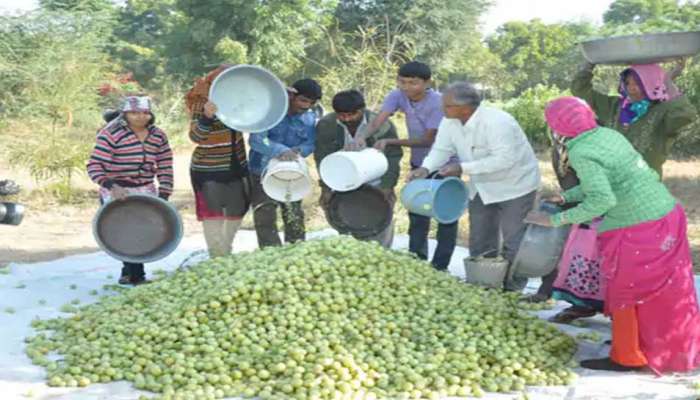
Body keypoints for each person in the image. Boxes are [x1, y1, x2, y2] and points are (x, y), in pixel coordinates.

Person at [526, 96, 700, 373]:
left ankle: (627, 357)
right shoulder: (605, 134)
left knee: (625, 290)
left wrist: (555, 219)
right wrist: (567, 195)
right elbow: (615, 178)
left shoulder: (582, 151)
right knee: (662, 290)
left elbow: (602, 200)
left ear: (559, 126)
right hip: (666, 213)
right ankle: (648, 343)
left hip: (639, 226)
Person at [408, 81, 541, 290]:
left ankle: (511, 288)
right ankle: (483, 284)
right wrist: (425, 168)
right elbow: (441, 149)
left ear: (466, 108)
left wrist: (462, 168)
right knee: (480, 235)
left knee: (513, 238)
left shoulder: (498, 122)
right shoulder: (450, 121)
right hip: (482, 185)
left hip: (515, 184)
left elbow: (504, 160)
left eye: (447, 105)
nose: (442, 109)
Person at [353, 61, 457, 270]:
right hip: (419, 163)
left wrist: (391, 141)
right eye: (402, 81)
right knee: (417, 210)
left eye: (413, 83)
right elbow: (377, 122)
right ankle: (417, 259)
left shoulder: (437, 103)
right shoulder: (397, 95)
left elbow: (428, 140)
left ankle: (440, 265)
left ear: (427, 83)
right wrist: (361, 137)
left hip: (447, 164)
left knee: (445, 214)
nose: (407, 87)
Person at [87, 96, 173, 285]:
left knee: (143, 231)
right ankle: (131, 273)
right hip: (118, 190)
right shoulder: (111, 134)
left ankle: (134, 272)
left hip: (145, 189)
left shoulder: (158, 135)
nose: (140, 117)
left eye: (145, 113)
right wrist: (111, 186)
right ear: (125, 114)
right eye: (134, 113)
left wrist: (165, 192)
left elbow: (165, 163)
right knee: (124, 232)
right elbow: (95, 166)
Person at [571, 59, 696, 178]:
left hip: (646, 186)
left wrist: (667, 81)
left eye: (639, 83)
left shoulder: (662, 112)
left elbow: (685, 115)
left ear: (652, 83)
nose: (632, 88)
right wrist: (590, 63)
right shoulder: (614, 106)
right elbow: (581, 90)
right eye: (628, 83)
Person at [314, 89, 403, 248]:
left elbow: (393, 157)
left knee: (379, 219)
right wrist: (326, 188)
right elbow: (322, 157)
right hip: (343, 180)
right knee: (346, 218)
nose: (347, 119)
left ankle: (381, 254)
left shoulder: (381, 125)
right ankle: (351, 252)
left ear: (362, 110)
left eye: (351, 114)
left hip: (376, 180)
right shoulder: (327, 125)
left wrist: (387, 186)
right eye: (342, 115)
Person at [185, 65, 250, 258]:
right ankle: (217, 255)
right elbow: (195, 136)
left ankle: (225, 249)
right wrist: (207, 117)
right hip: (209, 170)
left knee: (236, 212)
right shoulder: (203, 102)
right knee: (213, 215)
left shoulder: (238, 102)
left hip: (236, 166)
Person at [248, 78, 322, 247]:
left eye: (311, 103)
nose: (306, 106)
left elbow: (310, 143)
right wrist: (280, 150)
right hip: (262, 170)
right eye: (303, 100)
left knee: (293, 214)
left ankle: (295, 251)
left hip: (292, 173)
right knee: (264, 213)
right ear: (290, 96)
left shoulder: (309, 119)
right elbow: (258, 140)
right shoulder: (269, 113)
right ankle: (270, 252)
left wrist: (299, 151)